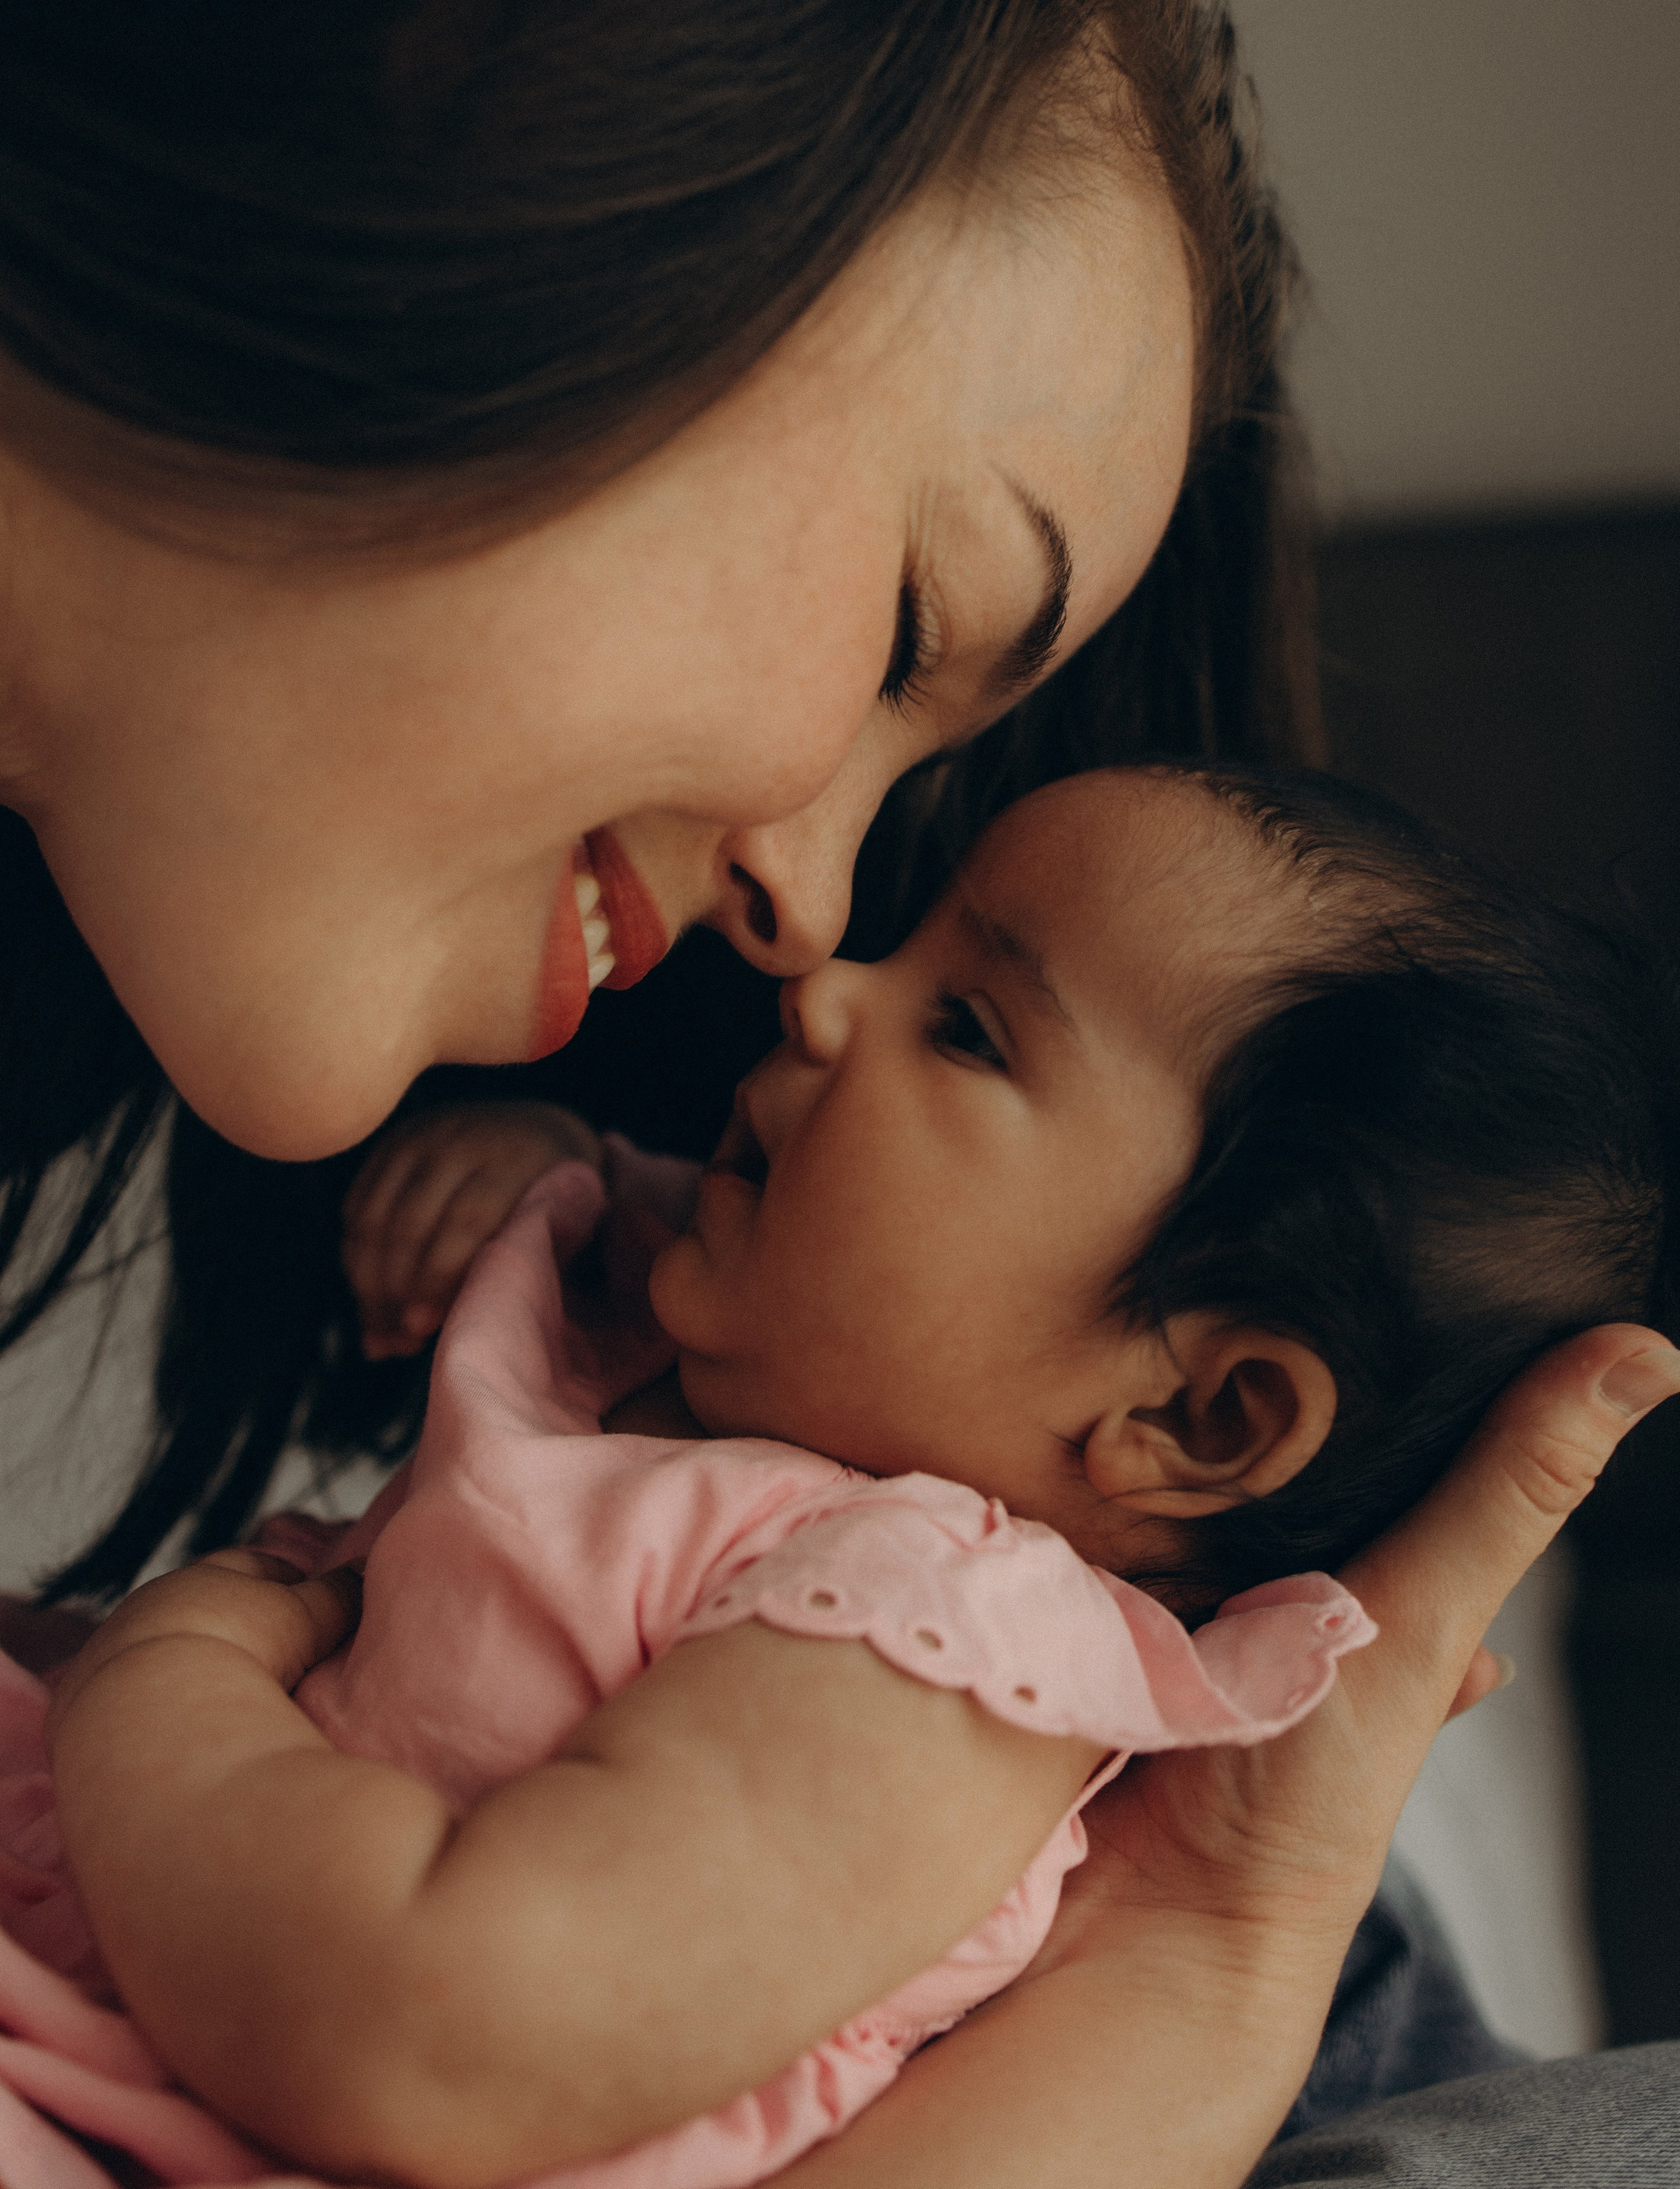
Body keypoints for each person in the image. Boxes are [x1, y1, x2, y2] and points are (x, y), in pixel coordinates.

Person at [0, 0, 1674, 2182]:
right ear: (507, 12)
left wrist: (1228, 1953)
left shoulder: (915, 1622)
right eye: (917, 624)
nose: (802, 916)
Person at [1, 764, 1675, 2188]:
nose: (821, 982)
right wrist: (541, 1173)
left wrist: (164, 1669)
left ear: (1198, 1418)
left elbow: (417, 2030)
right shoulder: (751, 1399)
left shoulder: (918, 1645)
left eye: (965, 1027)